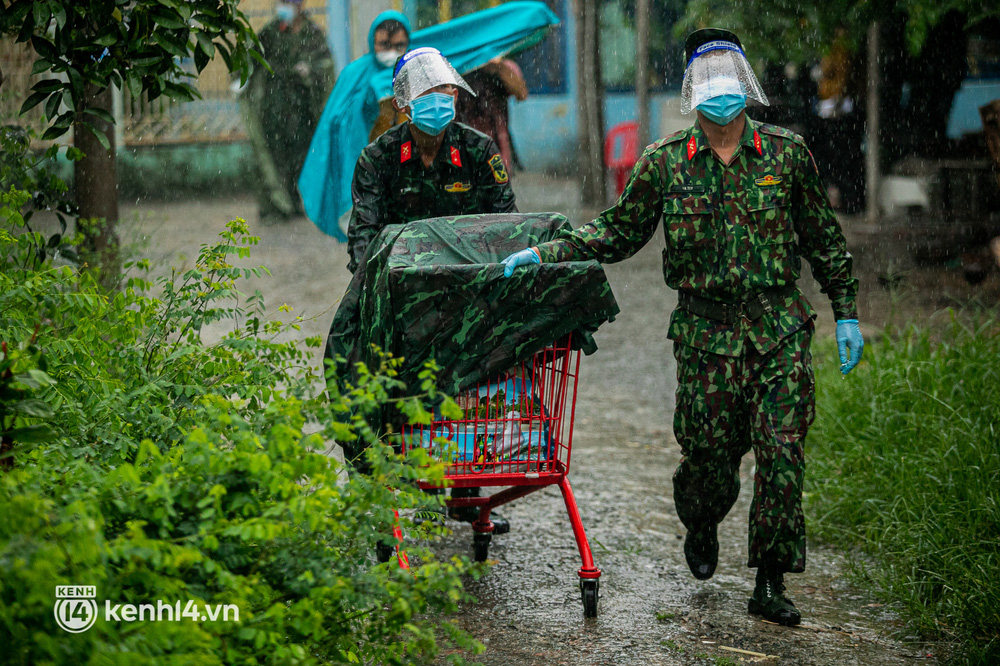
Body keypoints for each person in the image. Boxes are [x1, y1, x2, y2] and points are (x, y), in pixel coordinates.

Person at [500, 28, 865, 626]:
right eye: (710, 82)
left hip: (778, 329)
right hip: (706, 337)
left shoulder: (786, 155)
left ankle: (769, 582)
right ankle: (700, 520)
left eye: (732, 81)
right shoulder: (666, 163)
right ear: (694, 92)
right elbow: (616, 232)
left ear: (746, 87)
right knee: (709, 461)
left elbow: (823, 238)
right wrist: (549, 252)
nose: (722, 94)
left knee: (782, 453)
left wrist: (845, 310)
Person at [347, 46, 518, 531]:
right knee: (386, 387)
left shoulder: (479, 151)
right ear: (404, 102)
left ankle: (465, 489)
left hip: (467, 299)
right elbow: (363, 233)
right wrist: (375, 287)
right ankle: (390, 488)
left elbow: (505, 223)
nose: (440, 100)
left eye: (447, 90)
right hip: (403, 302)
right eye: (428, 92)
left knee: (470, 391)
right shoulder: (378, 158)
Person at [239, 0, 334, 222]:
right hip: (274, 106)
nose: (285, 7)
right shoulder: (270, 32)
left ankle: (295, 202)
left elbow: (326, 64)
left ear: (300, 5)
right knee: (274, 155)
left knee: (300, 157)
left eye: (290, 2)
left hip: (303, 108)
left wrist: (309, 71)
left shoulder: (314, 33)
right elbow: (252, 61)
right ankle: (275, 207)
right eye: (282, 2)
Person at [455, 56, 529, 174]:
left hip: (497, 141)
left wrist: (498, 67)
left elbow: (522, 94)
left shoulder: (503, 68)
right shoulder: (457, 67)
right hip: (466, 142)